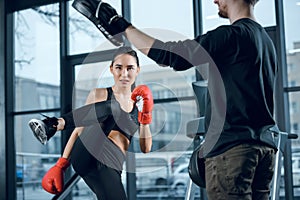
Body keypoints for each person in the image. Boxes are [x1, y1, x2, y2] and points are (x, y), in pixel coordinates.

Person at [71, 0, 279, 199]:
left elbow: (170, 55)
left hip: (233, 151)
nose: (215, 0)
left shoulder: (231, 35)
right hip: (264, 150)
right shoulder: (267, 43)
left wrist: (121, 24)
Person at [28, 46, 153, 199]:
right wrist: (61, 164)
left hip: (112, 163)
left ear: (137, 70)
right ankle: (53, 125)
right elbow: (79, 129)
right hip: (88, 150)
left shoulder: (141, 104)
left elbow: (146, 148)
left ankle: (54, 124)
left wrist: (145, 116)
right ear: (111, 69)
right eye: (119, 67)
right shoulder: (100, 94)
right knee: (112, 107)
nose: (124, 74)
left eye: (130, 68)